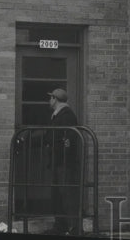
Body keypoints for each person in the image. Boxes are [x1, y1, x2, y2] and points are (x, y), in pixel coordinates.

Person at [48, 88, 80, 235]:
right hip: (60, 161)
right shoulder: (59, 114)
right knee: (59, 194)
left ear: (55, 99)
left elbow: (67, 139)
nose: (49, 101)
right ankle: (60, 225)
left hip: (65, 162)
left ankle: (73, 227)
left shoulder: (66, 115)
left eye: (51, 98)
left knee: (66, 194)